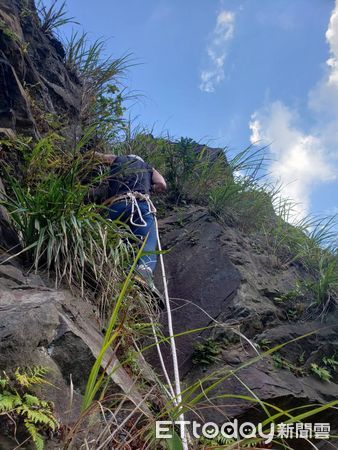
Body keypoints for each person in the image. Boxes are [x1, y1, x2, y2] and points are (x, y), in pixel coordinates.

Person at [94, 152, 167, 285]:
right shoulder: (148, 167)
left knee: (117, 242)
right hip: (140, 205)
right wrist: (150, 188)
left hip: (116, 205)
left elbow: (98, 156)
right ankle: (143, 273)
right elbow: (162, 184)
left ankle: (112, 277)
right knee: (147, 241)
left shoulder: (118, 159)